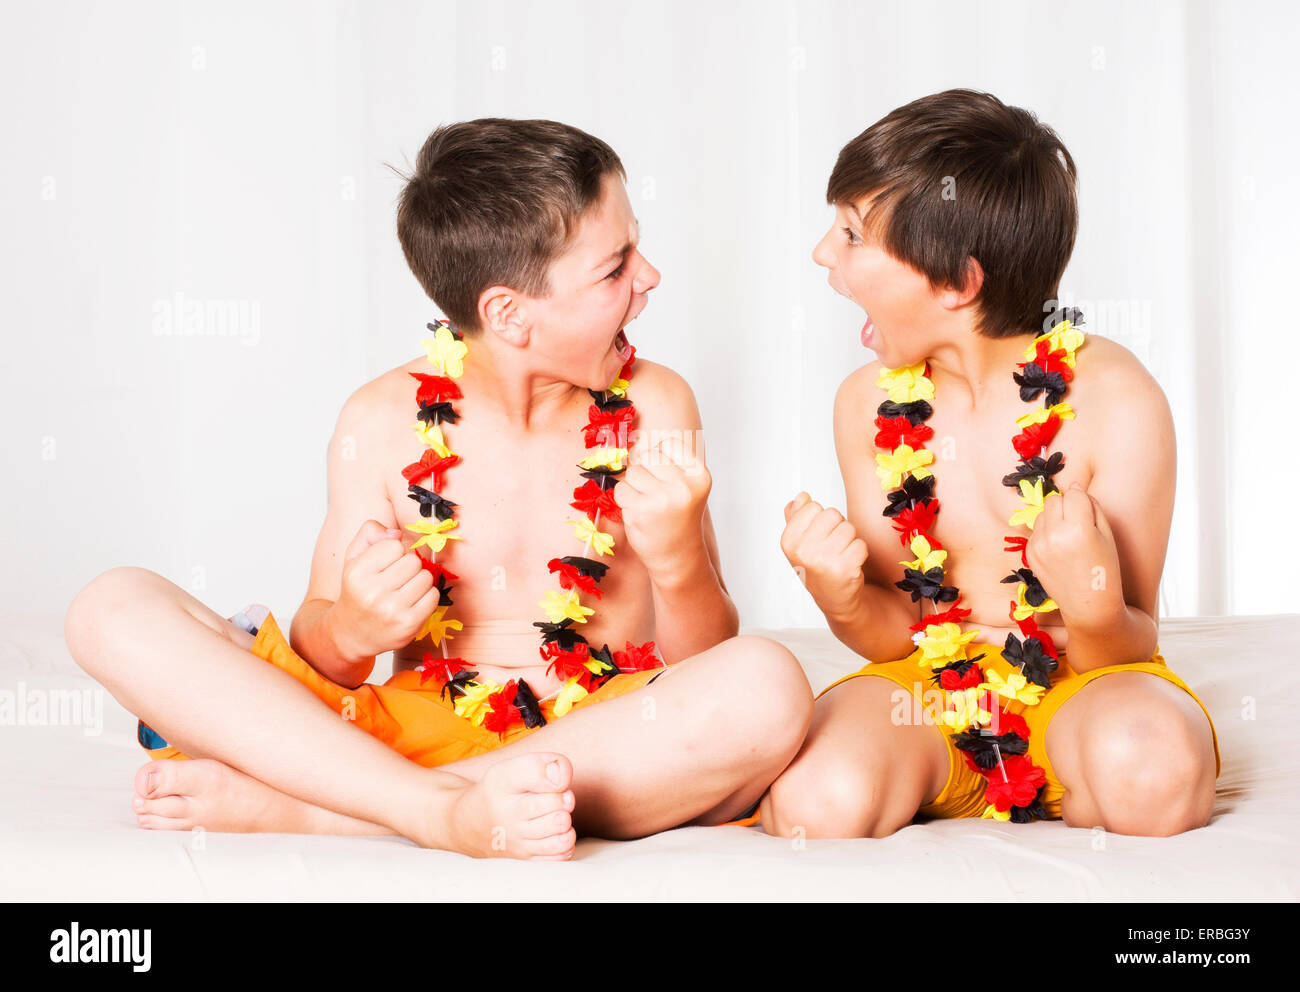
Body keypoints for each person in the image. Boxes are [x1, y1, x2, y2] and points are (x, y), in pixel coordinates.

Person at [65, 118, 813, 860]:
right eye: (615, 269)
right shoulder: (381, 420)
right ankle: (431, 807)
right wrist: (356, 628)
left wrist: (680, 559)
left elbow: (701, 657)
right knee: (110, 606)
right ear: (508, 315)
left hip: (602, 736)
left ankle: (329, 810)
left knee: (767, 685)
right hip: (413, 725)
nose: (648, 276)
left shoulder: (659, 405)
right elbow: (324, 658)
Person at [762, 90, 1219, 838]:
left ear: (956, 284)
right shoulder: (865, 405)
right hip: (928, 689)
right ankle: (940, 775)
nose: (822, 254)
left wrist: (1092, 600)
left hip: (1083, 682)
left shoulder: (1116, 397)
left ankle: (1079, 772)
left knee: (1151, 773)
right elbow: (894, 633)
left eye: (850, 235)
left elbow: (1130, 639)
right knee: (819, 800)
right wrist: (839, 595)